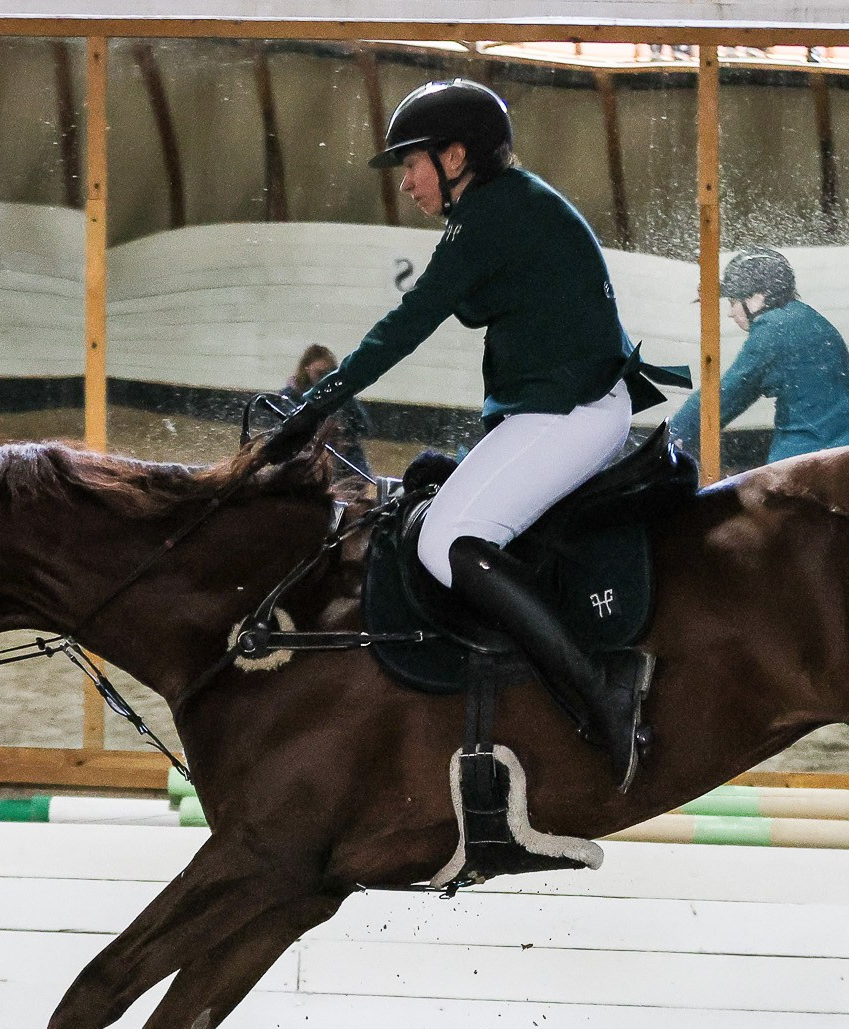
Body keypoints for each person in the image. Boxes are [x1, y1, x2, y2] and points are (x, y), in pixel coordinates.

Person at [259, 81, 684, 792]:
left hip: (572, 410)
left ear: (455, 156)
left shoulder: (493, 214)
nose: (406, 181)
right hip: (552, 406)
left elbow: (406, 326)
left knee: (445, 540)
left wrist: (312, 408)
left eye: (412, 163)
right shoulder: (498, 206)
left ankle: (604, 693)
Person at [671, 248, 849, 466]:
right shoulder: (806, 317)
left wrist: (670, 436)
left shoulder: (775, 329)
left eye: (733, 301)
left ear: (758, 297)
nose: (730, 312)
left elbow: (728, 395)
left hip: (811, 457)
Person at [282, 345, 371, 475]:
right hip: (308, 463)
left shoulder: (342, 394)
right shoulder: (290, 396)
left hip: (344, 462)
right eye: (320, 373)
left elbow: (365, 427)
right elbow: (288, 431)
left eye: (329, 373)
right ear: (306, 369)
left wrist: (344, 433)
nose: (324, 378)